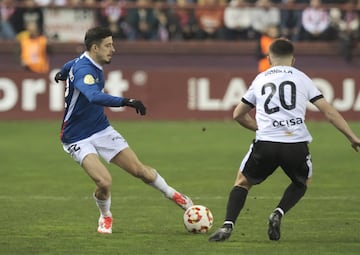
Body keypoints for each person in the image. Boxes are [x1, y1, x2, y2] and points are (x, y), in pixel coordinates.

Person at [208, 38, 360, 242]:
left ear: (269, 58)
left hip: (266, 144)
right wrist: (352, 137)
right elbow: (329, 112)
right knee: (302, 182)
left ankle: (227, 226)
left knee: (243, 183)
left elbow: (238, 114)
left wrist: (258, 127)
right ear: (293, 59)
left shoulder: (260, 79)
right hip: (296, 145)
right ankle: (278, 213)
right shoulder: (303, 78)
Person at [54, 27, 193, 234]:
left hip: (101, 129)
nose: (113, 49)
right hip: (76, 137)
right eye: (108, 45)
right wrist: (126, 101)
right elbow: (93, 96)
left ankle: (175, 195)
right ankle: (105, 216)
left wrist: (61, 73)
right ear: (95, 48)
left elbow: (69, 65)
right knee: (104, 181)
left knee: (140, 171)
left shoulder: (83, 62)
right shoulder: (85, 70)